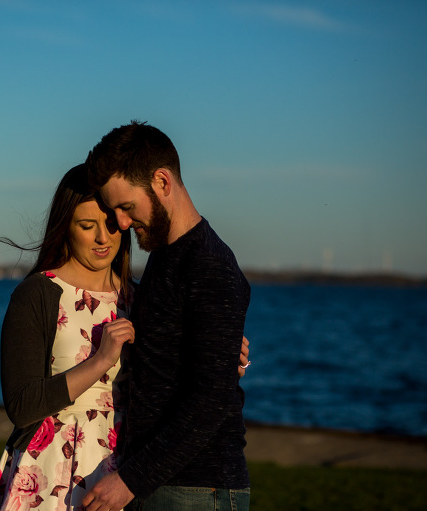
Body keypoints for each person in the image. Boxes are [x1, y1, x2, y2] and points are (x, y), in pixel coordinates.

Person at [0, 164, 251, 511]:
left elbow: (173, 375)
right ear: (65, 226)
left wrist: (222, 355)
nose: (102, 238)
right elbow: (21, 407)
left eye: (112, 225)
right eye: (87, 226)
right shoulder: (38, 293)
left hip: (129, 471)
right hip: (51, 471)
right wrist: (100, 361)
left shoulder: (138, 299)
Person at [82, 121, 252, 511]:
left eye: (126, 206)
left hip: (197, 488)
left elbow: (210, 400)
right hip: (161, 482)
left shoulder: (208, 263)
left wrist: (128, 481)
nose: (121, 223)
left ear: (162, 182)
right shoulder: (164, 257)